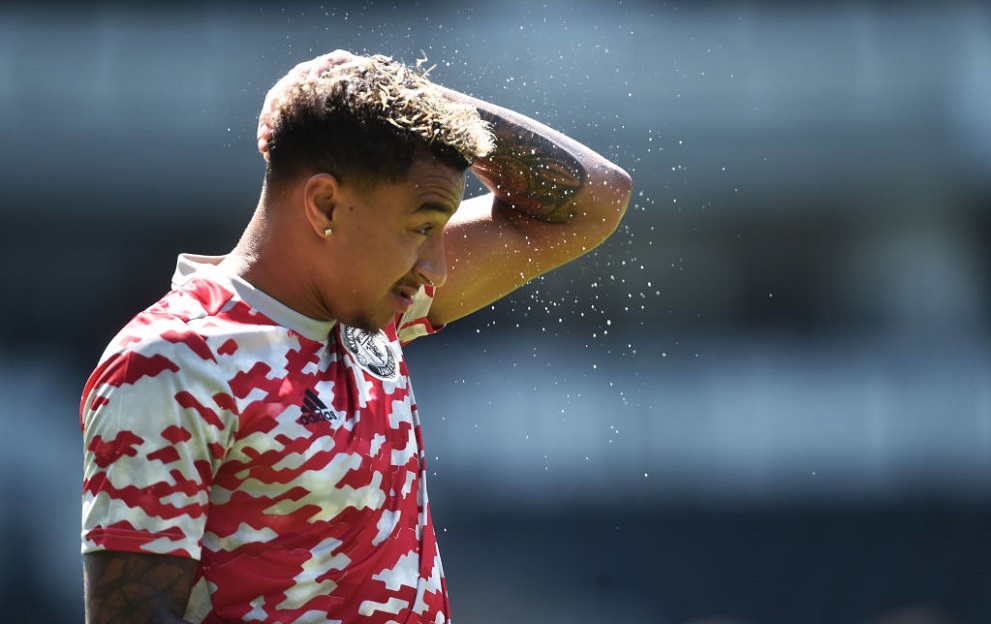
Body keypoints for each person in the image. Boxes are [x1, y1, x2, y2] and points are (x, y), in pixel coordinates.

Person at [80, 50, 631, 623]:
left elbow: (597, 200)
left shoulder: (371, 310)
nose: (437, 269)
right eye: (421, 227)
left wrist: (410, 98)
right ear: (325, 205)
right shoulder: (174, 360)